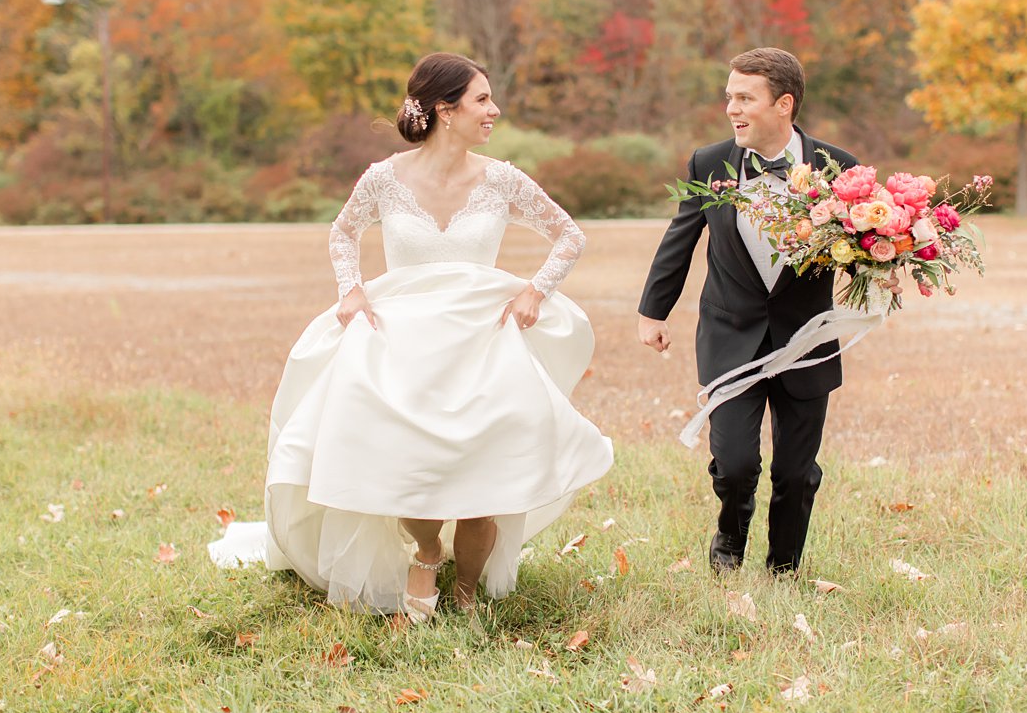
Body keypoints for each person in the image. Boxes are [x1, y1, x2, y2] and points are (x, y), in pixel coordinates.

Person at [210, 52, 613, 619]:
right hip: (402, 340)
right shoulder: (384, 178)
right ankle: (426, 552)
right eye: (482, 99)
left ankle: (469, 588)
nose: (494, 110)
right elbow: (344, 230)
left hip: (482, 341)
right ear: (445, 111)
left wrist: (534, 292)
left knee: (486, 465)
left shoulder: (503, 180)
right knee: (408, 461)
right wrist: (351, 290)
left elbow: (568, 235)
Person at [636, 48, 857, 576]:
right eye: (728, 96)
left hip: (805, 338)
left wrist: (889, 265)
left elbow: (864, 242)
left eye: (744, 98)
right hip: (728, 333)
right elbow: (680, 239)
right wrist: (653, 311)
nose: (731, 108)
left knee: (796, 470)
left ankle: (784, 565)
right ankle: (730, 534)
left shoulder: (839, 168)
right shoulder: (709, 163)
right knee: (734, 463)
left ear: (784, 104)